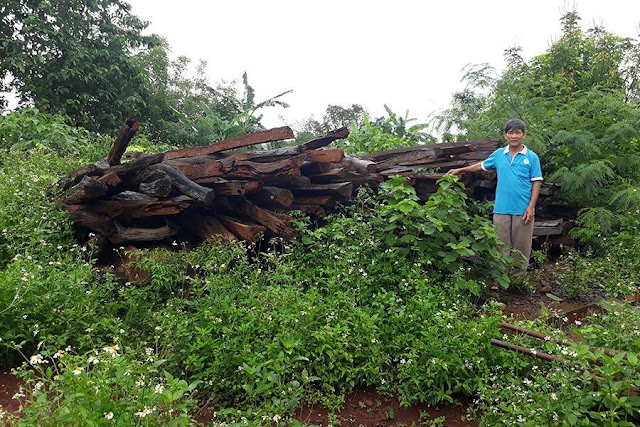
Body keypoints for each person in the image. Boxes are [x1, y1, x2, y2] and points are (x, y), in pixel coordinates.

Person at [447, 119, 543, 277]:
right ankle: (500, 279)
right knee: (500, 246)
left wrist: (531, 206)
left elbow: (537, 182)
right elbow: (481, 165)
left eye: (517, 132)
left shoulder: (531, 157)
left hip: (523, 209)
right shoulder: (499, 155)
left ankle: (517, 282)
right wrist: (461, 169)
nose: (514, 136)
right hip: (501, 208)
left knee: (521, 248)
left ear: (524, 135)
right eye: (510, 132)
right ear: (505, 135)